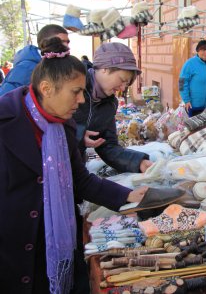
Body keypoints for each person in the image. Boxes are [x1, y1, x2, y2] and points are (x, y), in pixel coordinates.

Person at [0, 37, 153, 293]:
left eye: (83, 91)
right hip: (10, 251)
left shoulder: (63, 125)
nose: (82, 100)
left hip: (51, 245)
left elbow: (79, 180)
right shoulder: (6, 122)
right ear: (47, 88)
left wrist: (127, 194)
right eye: (76, 92)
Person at [73, 42, 153, 173]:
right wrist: (77, 135)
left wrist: (139, 162)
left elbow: (107, 145)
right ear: (104, 68)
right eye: (122, 80)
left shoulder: (109, 104)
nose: (122, 88)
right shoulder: (71, 85)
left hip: (74, 168)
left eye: (126, 84)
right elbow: (46, 122)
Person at [0, 24, 70, 96]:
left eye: (67, 42)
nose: (66, 46)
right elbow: (5, 99)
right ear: (45, 42)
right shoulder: (27, 68)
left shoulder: (49, 65)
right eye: (62, 41)